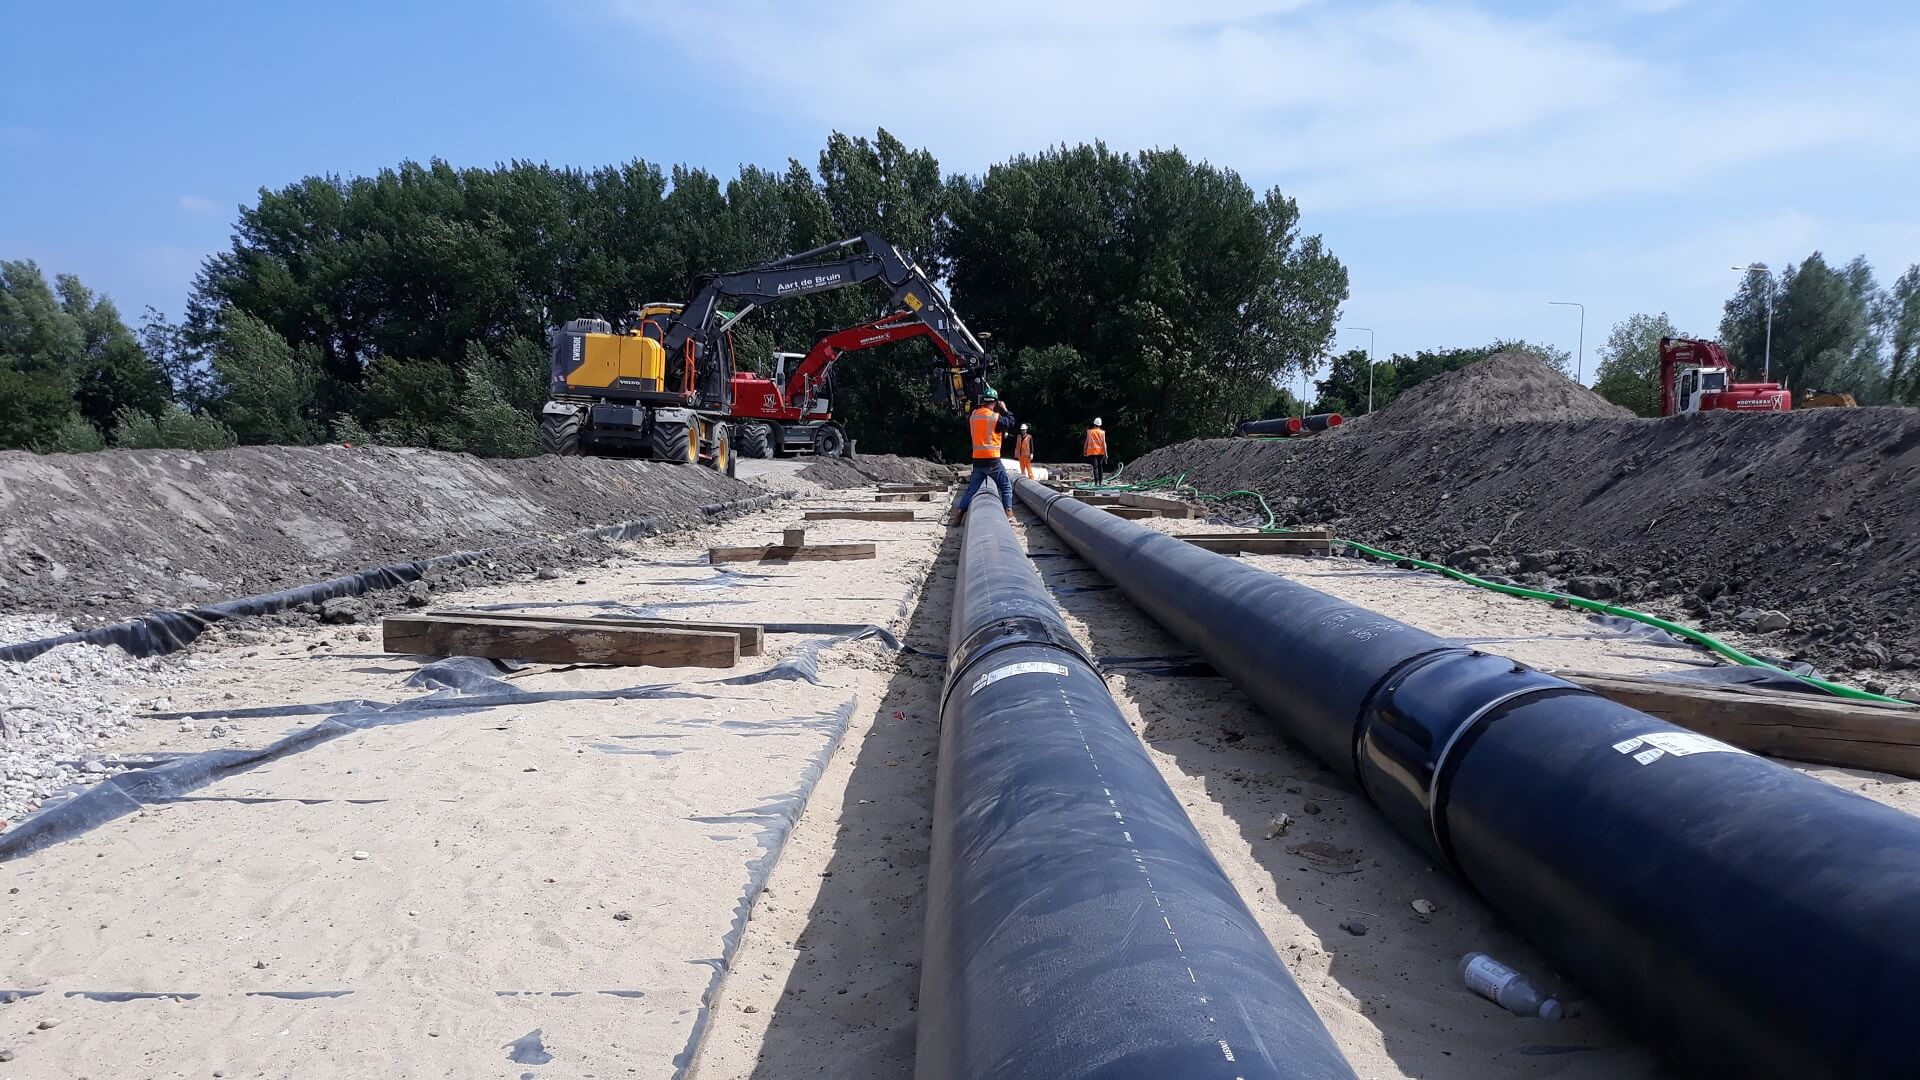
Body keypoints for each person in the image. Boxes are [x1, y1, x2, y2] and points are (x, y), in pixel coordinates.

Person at [952, 389, 1017, 525]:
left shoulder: (974, 415)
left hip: (978, 460)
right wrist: (1005, 409)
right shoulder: (996, 417)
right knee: (1005, 486)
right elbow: (1010, 422)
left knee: (972, 489)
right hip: (992, 459)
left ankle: (959, 514)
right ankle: (1009, 514)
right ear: (995, 402)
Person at [1083, 416, 1109, 485]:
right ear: (1100, 425)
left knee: (1095, 467)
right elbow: (1104, 443)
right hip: (1101, 452)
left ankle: (1096, 482)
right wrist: (1106, 453)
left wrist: (1084, 450)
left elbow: (1087, 441)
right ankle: (1100, 481)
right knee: (1100, 466)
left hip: (1092, 452)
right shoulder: (1102, 432)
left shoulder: (1089, 432)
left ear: (1094, 424)